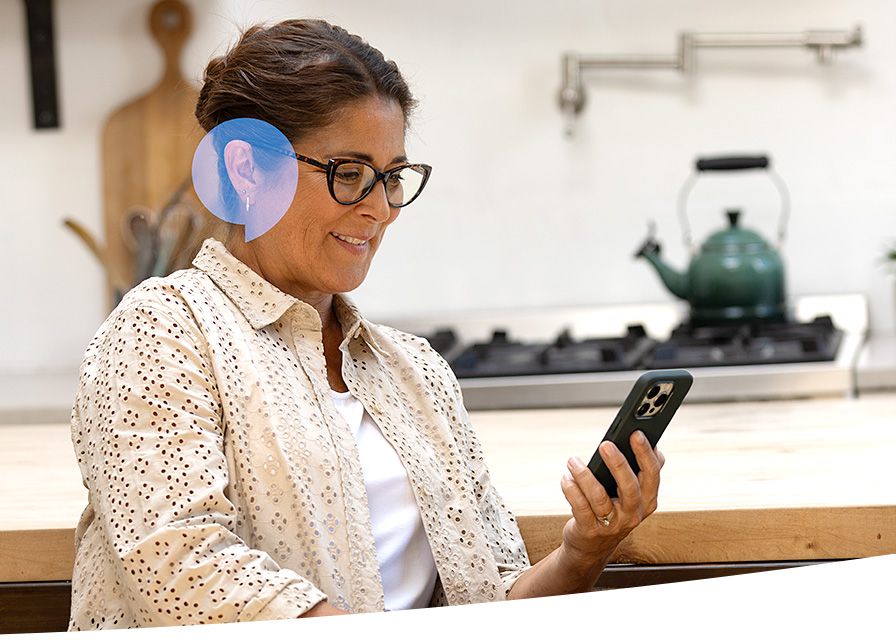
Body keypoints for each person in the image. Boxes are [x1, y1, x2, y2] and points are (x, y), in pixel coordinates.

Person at [67, 19, 666, 629]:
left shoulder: (416, 371)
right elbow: (175, 568)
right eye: (348, 174)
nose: (379, 209)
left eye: (392, 177)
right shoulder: (161, 331)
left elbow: (488, 610)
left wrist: (580, 552)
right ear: (246, 171)